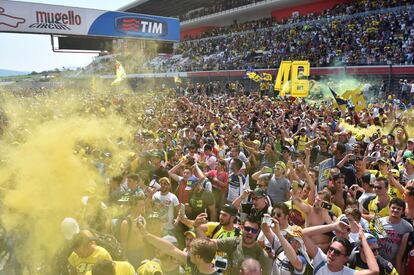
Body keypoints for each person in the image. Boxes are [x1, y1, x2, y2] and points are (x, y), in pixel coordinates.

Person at [137, 216, 220, 275]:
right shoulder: (196, 263)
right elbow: (170, 248)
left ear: (198, 257)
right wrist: (146, 234)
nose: (188, 253)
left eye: (192, 253)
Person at [198, 215, 271, 275]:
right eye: (247, 228)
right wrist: (198, 228)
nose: (250, 232)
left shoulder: (262, 256)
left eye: (254, 230)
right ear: (242, 228)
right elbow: (209, 244)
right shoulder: (234, 243)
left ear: (258, 233)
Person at [302, 225, 379, 275]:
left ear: (346, 258)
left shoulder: (349, 273)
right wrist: (333, 226)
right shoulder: (320, 259)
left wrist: (363, 239)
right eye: (331, 249)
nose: (331, 253)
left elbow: (374, 271)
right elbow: (304, 233)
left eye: (337, 252)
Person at [378, 197, 413, 265]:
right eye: (393, 207)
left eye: (399, 209)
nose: (395, 210)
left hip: (395, 264)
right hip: (378, 261)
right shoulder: (378, 222)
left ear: (403, 211)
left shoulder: (408, 227)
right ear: (389, 207)